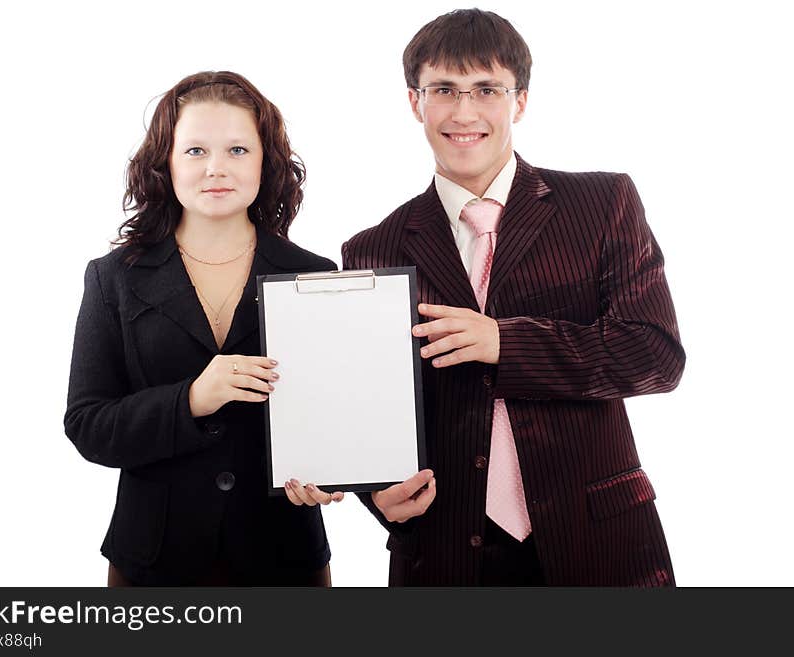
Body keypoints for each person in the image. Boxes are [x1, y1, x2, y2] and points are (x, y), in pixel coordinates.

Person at [341, 9, 685, 586]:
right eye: (444, 89)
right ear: (414, 101)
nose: (464, 112)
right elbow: (368, 411)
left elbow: (654, 355)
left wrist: (504, 343)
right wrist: (374, 496)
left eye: (486, 90)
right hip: (444, 552)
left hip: (598, 540)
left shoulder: (602, 203)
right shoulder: (371, 249)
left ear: (519, 101)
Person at [64, 71, 342, 586]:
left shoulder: (315, 277)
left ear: (266, 162)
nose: (216, 168)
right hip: (154, 561)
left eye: (238, 149)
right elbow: (88, 425)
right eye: (195, 151)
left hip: (284, 555)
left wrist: (331, 471)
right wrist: (191, 398)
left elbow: (338, 415)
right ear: (165, 162)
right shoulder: (113, 278)